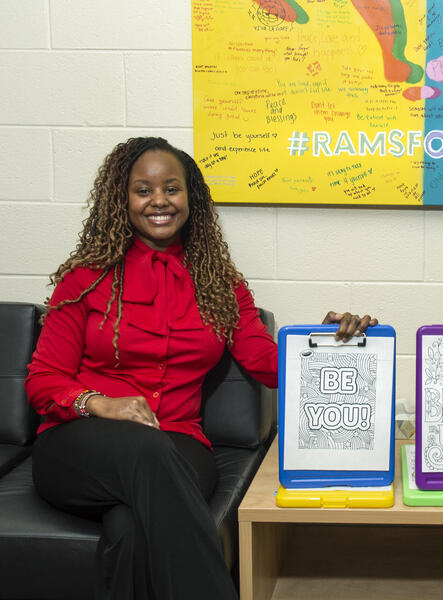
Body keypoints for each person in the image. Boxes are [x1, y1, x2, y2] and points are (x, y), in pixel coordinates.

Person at [24, 136, 377, 600]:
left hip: (179, 444)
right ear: (121, 199)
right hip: (80, 444)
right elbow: (43, 380)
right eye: (143, 190)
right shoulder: (86, 277)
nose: (159, 201)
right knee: (145, 454)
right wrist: (102, 404)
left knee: (129, 527)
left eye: (171, 188)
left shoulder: (220, 285)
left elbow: (266, 362)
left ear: (190, 198)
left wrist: (333, 345)